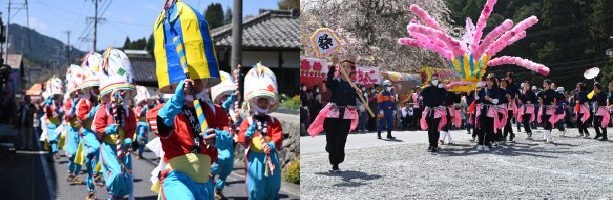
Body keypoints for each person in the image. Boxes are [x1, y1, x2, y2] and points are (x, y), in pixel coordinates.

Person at [236, 63, 283, 199]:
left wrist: (273, 144)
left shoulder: (274, 121)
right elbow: (242, 139)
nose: (263, 103)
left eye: (265, 101)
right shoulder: (248, 121)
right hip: (255, 158)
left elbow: (278, 135)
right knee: (255, 187)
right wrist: (248, 134)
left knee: (272, 185)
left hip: (271, 156)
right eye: (260, 101)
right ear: (255, 102)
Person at [319, 60, 360, 171]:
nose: (346, 68)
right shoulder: (335, 82)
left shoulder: (353, 85)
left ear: (351, 70)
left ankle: (335, 163)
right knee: (331, 138)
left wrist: (358, 94)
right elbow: (328, 83)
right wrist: (333, 65)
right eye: (343, 66)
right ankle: (329, 147)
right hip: (333, 112)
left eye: (348, 67)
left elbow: (354, 101)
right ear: (339, 69)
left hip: (346, 115)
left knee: (341, 139)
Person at [75, 51, 104, 199]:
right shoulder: (83, 102)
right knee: (95, 150)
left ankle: (91, 191)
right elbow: (79, 120)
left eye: (99, 87)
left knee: (93, 160)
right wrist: (92, 112)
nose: (97, 90)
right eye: (95, 88)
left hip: (99, 133)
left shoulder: (103, 101)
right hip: (87, 133)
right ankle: (93, 178)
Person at [477, 75, 505, 151]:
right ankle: (480, 143)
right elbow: (477, 98)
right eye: (488, 81)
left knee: (489, 129)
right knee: (481, 128)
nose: (489, 83)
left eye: (491, 81)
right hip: (483, 110)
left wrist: (489, 99)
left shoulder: (496, 90)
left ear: (493, 82)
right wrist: (476, 91)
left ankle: (486, 144)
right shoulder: (483, 90)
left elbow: (497, 101)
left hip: (491, 110)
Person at [420, 75, 446, 152]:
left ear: (438, 80)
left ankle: (435, 145)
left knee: (435, 129)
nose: (435, 80)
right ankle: (431, 144)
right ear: (431, 80)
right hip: (428, 111)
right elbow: (420, 95)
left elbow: (444, 97)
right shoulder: (427, 88)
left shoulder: (441, 89)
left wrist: (442, 89)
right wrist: (420, 97)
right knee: (430, 129)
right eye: (433, 79)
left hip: (437, 111)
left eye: (436, 79)